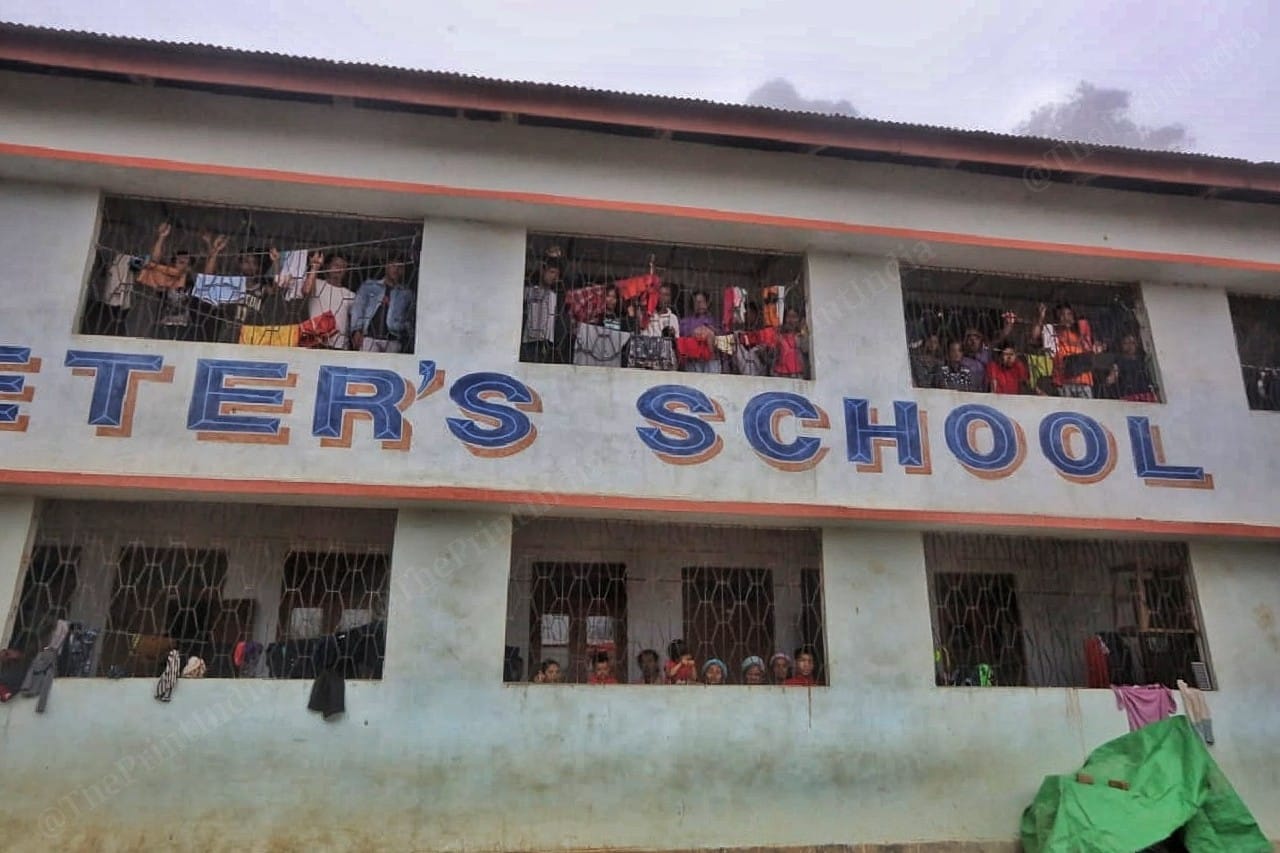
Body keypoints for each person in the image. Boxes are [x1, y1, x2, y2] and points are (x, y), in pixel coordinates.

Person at [238, 248, 321, 347]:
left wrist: (277, 263)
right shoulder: (231, 286)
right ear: (238, 263)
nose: (250, 266)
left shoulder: (263, 289)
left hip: (254, 336)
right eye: (247, 262)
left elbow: (275, 290)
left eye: (254, 263)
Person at [1032, 302, 1102, 398]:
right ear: (1057, 318)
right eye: (1061, 315)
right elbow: (1034, 337)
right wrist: (1041, 317)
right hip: (1063, 381)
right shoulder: (1053, 332)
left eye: (1069, 314)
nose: (1065, 318)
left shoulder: (1080, 329)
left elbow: (1092, 346)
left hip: (1083, 380)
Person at [351, 259, 415, 353]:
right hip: (369, 337)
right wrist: (356, 330)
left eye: (400, 267)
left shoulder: (407, 294)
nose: (396, 269)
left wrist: (402, 328)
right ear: (386, 266)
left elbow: (410, 318)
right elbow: (358, 308)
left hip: (393, 340)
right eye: (393, 265)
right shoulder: (369, 286)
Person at [521, 247, 564, 363]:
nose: (554, 277)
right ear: (542, 270)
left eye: (557, 274)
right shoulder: (529, 290)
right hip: (529, 340)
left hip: (548, 341)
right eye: (551, 272)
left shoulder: (556, 295)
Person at [305, 253, 356, 349]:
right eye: (336, 265)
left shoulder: (350, 295)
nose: (339, 269)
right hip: (316, 341)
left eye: (343, 267)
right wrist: (315, 267)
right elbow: (306, 290)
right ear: (328, 266)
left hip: (339, 345)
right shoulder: (317, 284)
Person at [1104, 333, 1158, 401]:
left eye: (1132, 343)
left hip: (1145, 395)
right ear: (1122, 345)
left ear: (1137, 344)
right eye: (1126, 343)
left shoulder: (1143, 360)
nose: (1130, 346)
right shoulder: (1119, 361)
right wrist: (1109, 380)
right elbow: (1113, 376)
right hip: (1129, 396)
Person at [678, 290, 721, 374]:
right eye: (696, 302)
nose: (699, 304)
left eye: (702, 301)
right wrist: (694, 333)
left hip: (710, 361)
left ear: (707, 303)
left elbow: (722, 337)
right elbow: (681, 337)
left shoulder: (714, 321)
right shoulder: (686, 321)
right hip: (693, 359)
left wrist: (710, 330)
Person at [772, 308, 810, 378]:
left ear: (800, 319)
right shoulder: (779, 335)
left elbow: (806, 349)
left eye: (794, 317)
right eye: (788, 317)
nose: (790, 320)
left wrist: (804, 332)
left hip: (797, 374)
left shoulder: (801, 336)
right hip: (780, 374)